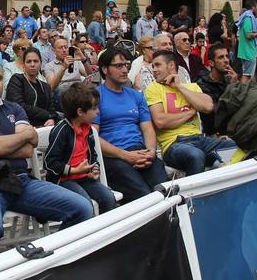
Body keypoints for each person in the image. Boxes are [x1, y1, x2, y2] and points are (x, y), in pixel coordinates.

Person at [0, 57, 92, 252]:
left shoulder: (14, 108)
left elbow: (27, 148)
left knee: (83, 208)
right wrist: (9, 140)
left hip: (21, 181)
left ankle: (53, 260)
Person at [96, 45, 169, 201]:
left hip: (141, 152)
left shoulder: (136, 96)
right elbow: (92, 137)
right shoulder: (95, 97)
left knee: (164, 192)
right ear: (104, 69)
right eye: (118, 66)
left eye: (126, 66)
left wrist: (150, 151)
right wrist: (125, 156)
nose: (124, 70)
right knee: (145, 198)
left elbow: (148, 128)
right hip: (113, 156)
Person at [145, 50, 229, 175]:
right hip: (174, 144)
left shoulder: (191, 87)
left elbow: (208, 106)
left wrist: (179, 87)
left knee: (234, 147)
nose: (154, 70)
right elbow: (161, 121)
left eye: (158, 65)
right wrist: (191, 112)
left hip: (200, 139)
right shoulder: (153, 88)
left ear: (171, 66)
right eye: (153, 66)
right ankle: (195, 194)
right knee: (196, 155)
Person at [42, 82, 117, 214]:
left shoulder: (88, 129)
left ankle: (104, 231)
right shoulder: (62, 130)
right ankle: (86, 232)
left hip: (84, 177)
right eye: (94, 108)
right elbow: (49, 162)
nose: (98, 111)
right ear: (80, 112)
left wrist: (94, 169)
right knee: (85, 203)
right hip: (63, 180)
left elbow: (92, 154)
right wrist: (73, 170)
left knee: (109, 198)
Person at [6, 46, 58, 127]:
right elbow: (18, 105)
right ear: (23, 64)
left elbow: (52, 109)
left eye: (35, 61)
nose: (32, 64)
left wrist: (52, 119)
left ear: (40, 63)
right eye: (29, 61)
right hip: (22, 125)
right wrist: (47, 115)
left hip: (44, 126)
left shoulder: (45, 86)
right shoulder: (17, 79)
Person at [196, 42, 236, 136]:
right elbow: (219, 112)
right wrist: (232, 88)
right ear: (211, 63)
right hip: (216, 133)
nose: (226, 60)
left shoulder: (228, 79)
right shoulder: (202, 85)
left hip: (234, 127)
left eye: (227, 56)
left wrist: (237, 85)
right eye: (221, 57)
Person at [43, 35, 87, 101]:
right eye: (60, 48)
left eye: (66, 47)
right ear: (54, 51)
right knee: (62, 91)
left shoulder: (75, 61)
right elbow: (51, 87)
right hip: (63, 92)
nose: (64, 50)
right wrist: (63, 67)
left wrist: (84, 60)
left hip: (78, 89)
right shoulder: (49, 66)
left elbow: (90, 76)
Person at [235, 0, 257, 82]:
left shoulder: (245, 17)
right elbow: (248, 35)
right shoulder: (248, 17)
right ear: (253, 7)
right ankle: (243, 93)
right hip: (248, 52)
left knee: (249, 75)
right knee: (247, 75)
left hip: (247, 51)